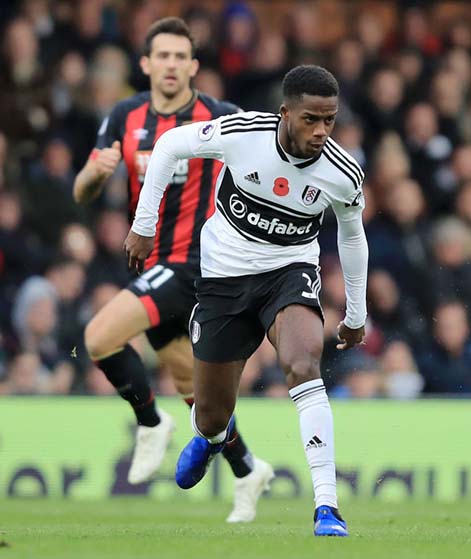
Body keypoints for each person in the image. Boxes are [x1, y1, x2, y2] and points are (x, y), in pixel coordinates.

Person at [125, 65, 368, 537]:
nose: (320, 131)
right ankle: (211, 434)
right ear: (285, 113)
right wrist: (144, 222)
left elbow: (353, 238)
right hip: (224, 279)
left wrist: (355, 313)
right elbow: (172, 144)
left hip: (289, 274)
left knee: (303, 364)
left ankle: (327, 506)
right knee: (213, 411)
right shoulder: (244, 133)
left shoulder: (343, 172)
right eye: (310, 120)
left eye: (329, 121)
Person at [72, 17, 273, 523]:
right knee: (199, 396)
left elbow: (263, 161)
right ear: (145, 63)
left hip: (193, 264)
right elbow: (82, 192)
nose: (171, 64)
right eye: (162, 55)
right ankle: (249, 470)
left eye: (180, 57)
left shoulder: (218, 115)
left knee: (98, 337)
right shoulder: (125, 114)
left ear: (194, 66)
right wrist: (93, 176)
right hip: (151, 263)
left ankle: (149, 422)